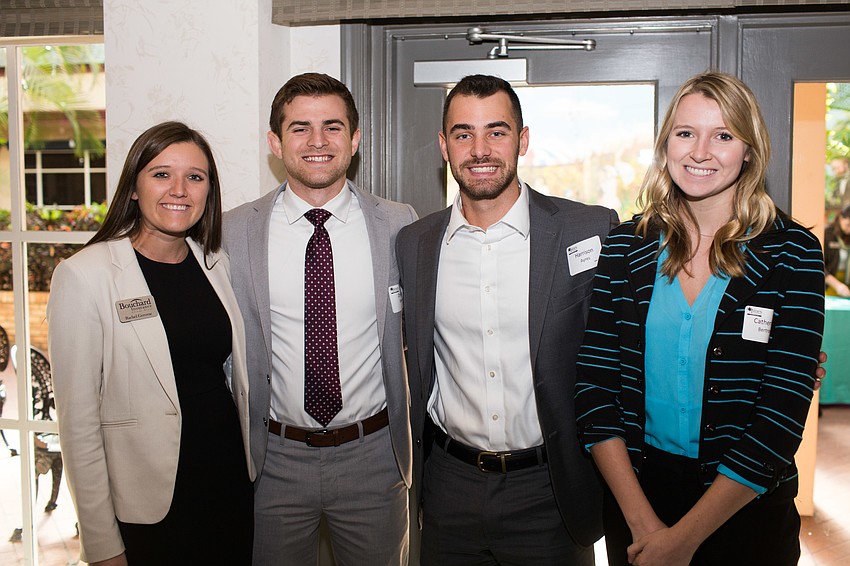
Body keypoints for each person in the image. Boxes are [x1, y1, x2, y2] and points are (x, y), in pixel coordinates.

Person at [575, 71, 825, 566]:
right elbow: (595, 391)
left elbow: (780, 415)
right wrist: (643, 525)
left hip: (745, 506)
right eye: (686, 133)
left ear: (749, 150)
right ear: (666, 142)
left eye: (724, 135)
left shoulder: (793, 253)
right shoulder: (625, 247)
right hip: (637, 498)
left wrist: (685, 539)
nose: (700, 151)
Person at [396, 74, 619, 565]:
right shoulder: (414, 245)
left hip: (551, 487)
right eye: (462, 134)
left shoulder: (589, 230)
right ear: (443, 145)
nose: (480, 149)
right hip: (449, 486)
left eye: (496, 132)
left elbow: (636, 333)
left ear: (522, 140)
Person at [222, 73, 417, 565]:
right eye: (299, 128)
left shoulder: (399, 224)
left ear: (355, 139)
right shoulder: (233, 231)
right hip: (273, 461)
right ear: (275, 142)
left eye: (333, 127)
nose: (317, 142)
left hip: (373, 456)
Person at [47, 121, 255, 566]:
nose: (179, 189)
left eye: (195, 177)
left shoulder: (216, 264)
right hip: (148, 504)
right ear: (134, 188)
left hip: (226, 483)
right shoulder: (85, 276)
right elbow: (78, 424)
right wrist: (102, 544)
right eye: (162, 174)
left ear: (208, 192)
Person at [824, 202, 850, 297]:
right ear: (841, 218)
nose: (849, 229)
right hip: (831, 286)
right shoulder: (828, 234)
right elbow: (820, 265)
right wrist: (837, 285)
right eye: (848, 225)